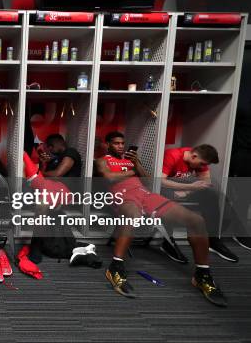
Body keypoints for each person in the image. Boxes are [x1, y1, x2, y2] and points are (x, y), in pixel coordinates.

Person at [95, 131, 227, 307]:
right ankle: (115, 268)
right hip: (122, 195)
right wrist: (131, 172)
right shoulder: (102, 160)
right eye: (116, 143)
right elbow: (109, 177)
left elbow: (148, 180)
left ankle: (202, 274)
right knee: (133, 216)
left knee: (196, 220)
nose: (120, 146)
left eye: (122, 143)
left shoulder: (130, 160)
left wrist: (135, 164)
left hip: (145, 193)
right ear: (108, 144)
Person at [160, 145, 243, 263]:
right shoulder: (173, 155)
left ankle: (212, 239)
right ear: (194, 156)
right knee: (166, 197)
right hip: (165, 187)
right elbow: (161, 181)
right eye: (202, 164)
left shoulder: (198, 158)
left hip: (183, 189)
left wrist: (187, 191)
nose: (203, 167)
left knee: (212, 195)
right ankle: (168, 242)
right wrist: (190, 187)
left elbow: (206, 182)